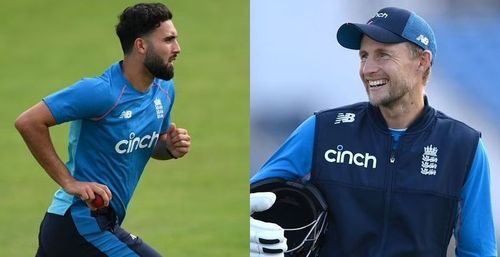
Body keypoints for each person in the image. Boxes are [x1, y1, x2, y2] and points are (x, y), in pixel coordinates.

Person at [250, 7, 497, 257]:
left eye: (383, 55)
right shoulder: (323, 129)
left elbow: (478, 250)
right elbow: (254, 198)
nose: (368, 69)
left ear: (422, 61)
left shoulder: (464, 147)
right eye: (364, 56)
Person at [15, 3, 191, 257]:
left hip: (91, 225)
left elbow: (154, 144)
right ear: (141, 46)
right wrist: (69, 182)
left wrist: (169, 148)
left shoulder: (164, 90)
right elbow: (28, 122)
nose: (177, 49)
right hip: (79, 223)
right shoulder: (101, 92)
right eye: (169, 40)